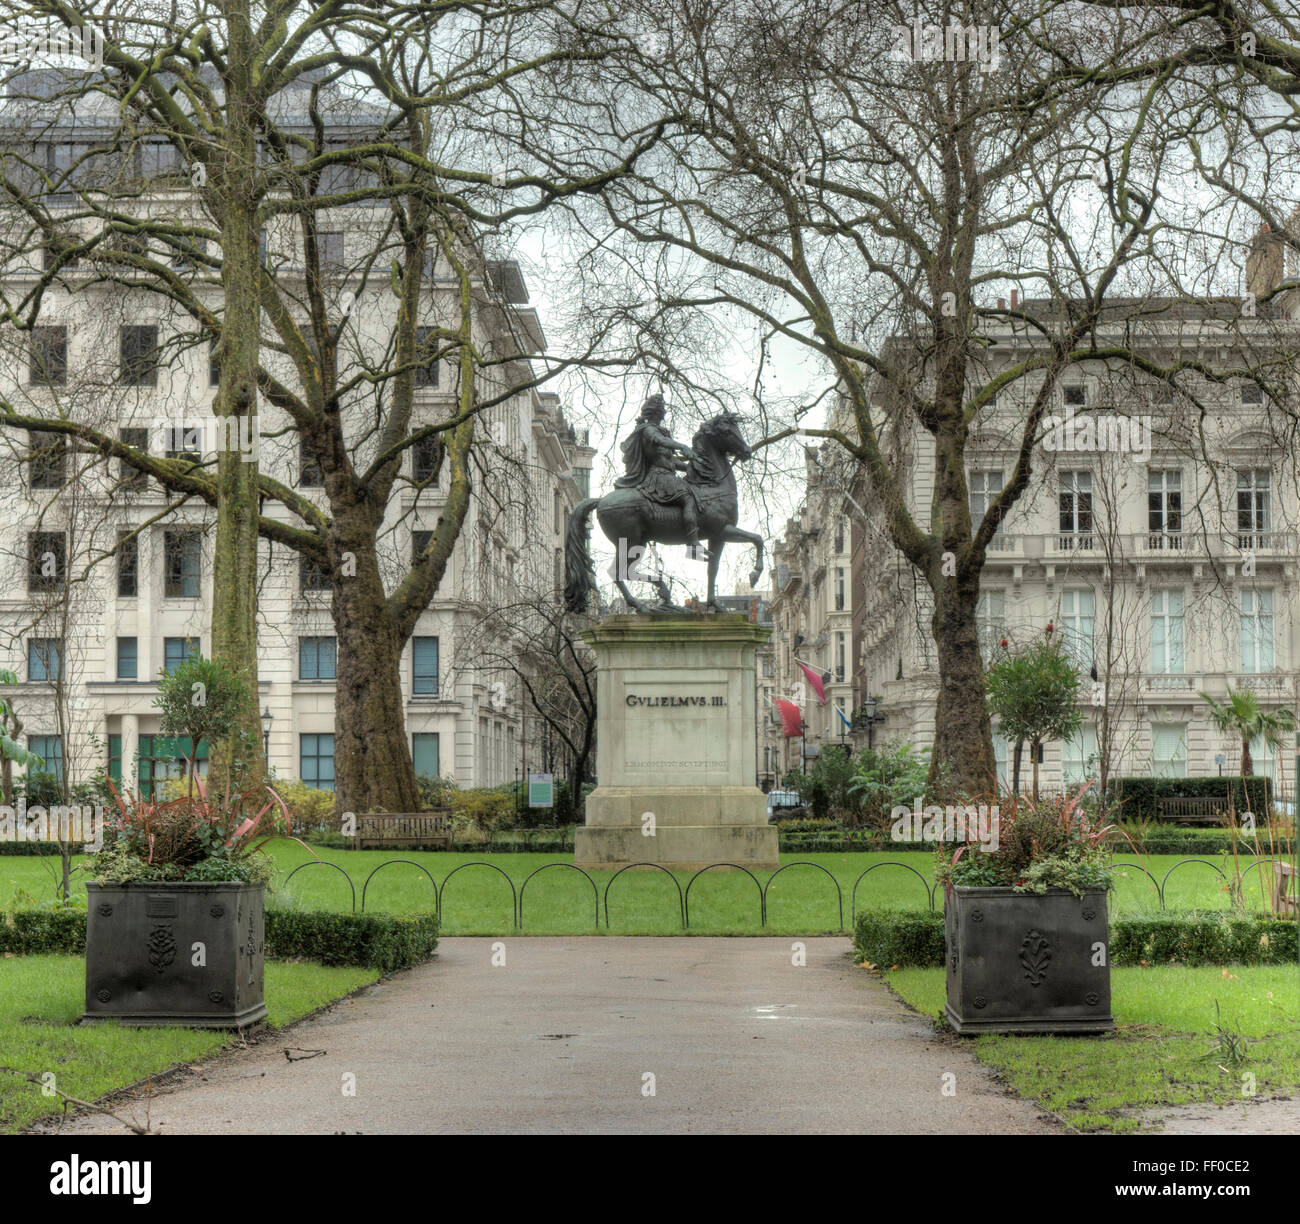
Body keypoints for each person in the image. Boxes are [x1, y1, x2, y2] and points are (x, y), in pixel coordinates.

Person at [614, 394, 701, 549]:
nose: (665, 413)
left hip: (668, 474)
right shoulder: (648, 430)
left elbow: (672, 461)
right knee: (688, 499)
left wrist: (693, 466)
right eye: (663, 410)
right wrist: (682, 446)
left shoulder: (661, 432)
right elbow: (660, 441)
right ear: (657, 413)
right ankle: (693, 544)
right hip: (660, 477)